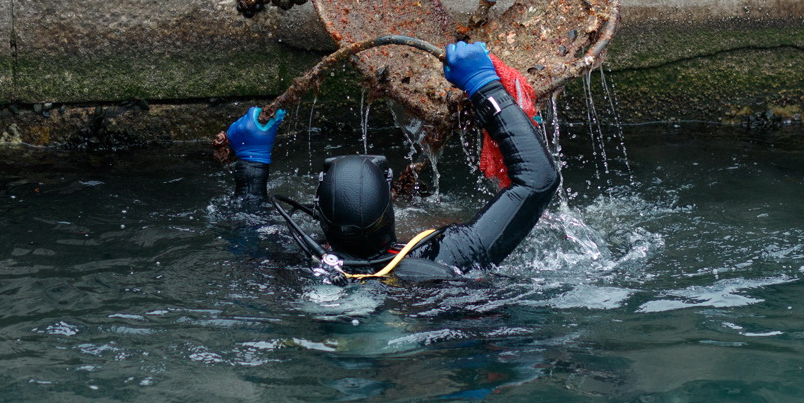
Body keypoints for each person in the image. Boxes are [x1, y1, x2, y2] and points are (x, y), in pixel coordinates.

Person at [223, 41, 560, 280]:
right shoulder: (446, 258)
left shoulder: (299, 262)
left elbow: (246, 230)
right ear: (389, 211)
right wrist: (486, 87)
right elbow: (538, 180)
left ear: (320, 215)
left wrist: (251, 162)